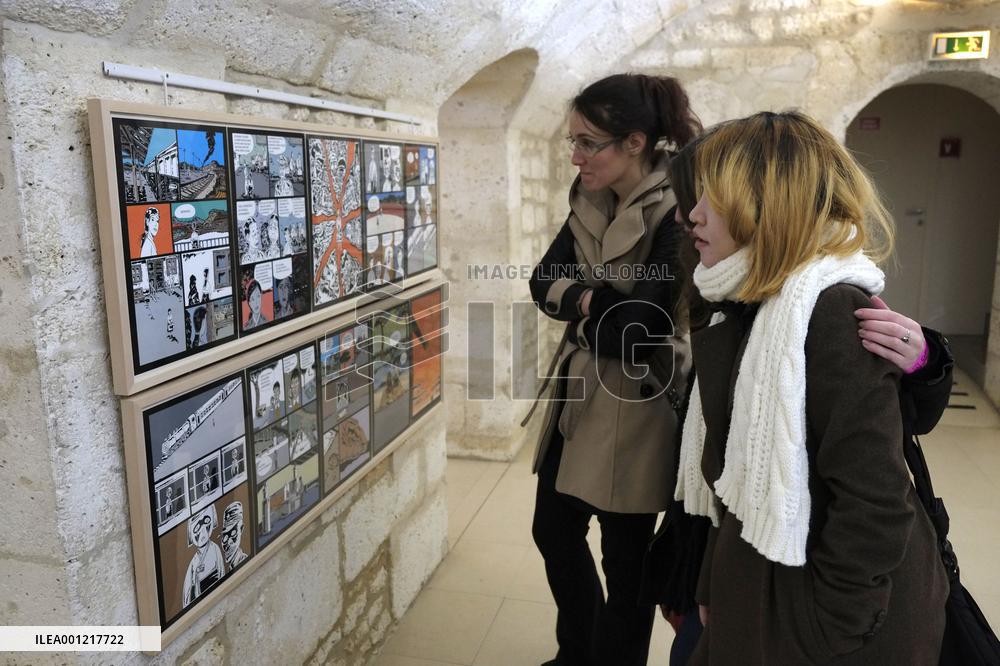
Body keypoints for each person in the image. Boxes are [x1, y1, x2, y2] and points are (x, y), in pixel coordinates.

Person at [653, 135, 955, 666]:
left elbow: (875, 501)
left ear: (766, 204)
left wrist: (828, 632)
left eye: (709, 200)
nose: (692, 216)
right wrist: (712, 580)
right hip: (764, 580)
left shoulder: (829, 310)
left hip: (827, 617)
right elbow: (733, 479)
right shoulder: (742, 301)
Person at [525, 73, 700, 666]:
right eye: (571, 141)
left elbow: (639, 332)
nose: (575, 156)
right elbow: (540, 282)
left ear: (634, 142)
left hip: (640, 402)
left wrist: (580, 303)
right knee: (552, 530)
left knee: (626, 569)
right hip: (578, 398)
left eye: (587, 142)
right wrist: (595, 302)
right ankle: (578, 652)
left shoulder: (680, 205)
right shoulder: (588, 192)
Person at [182, 505, 225, 607]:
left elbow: (222, 572)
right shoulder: (194, 561)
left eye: (205, 521)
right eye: (197, 527)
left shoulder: (215, 548)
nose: (202, 531)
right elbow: (187, 592)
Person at [220, 501, 249, 570]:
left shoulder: (244, 562)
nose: (228, 542)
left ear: (241, 529)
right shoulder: (231, 567)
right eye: (225, 536)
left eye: (233, 534)